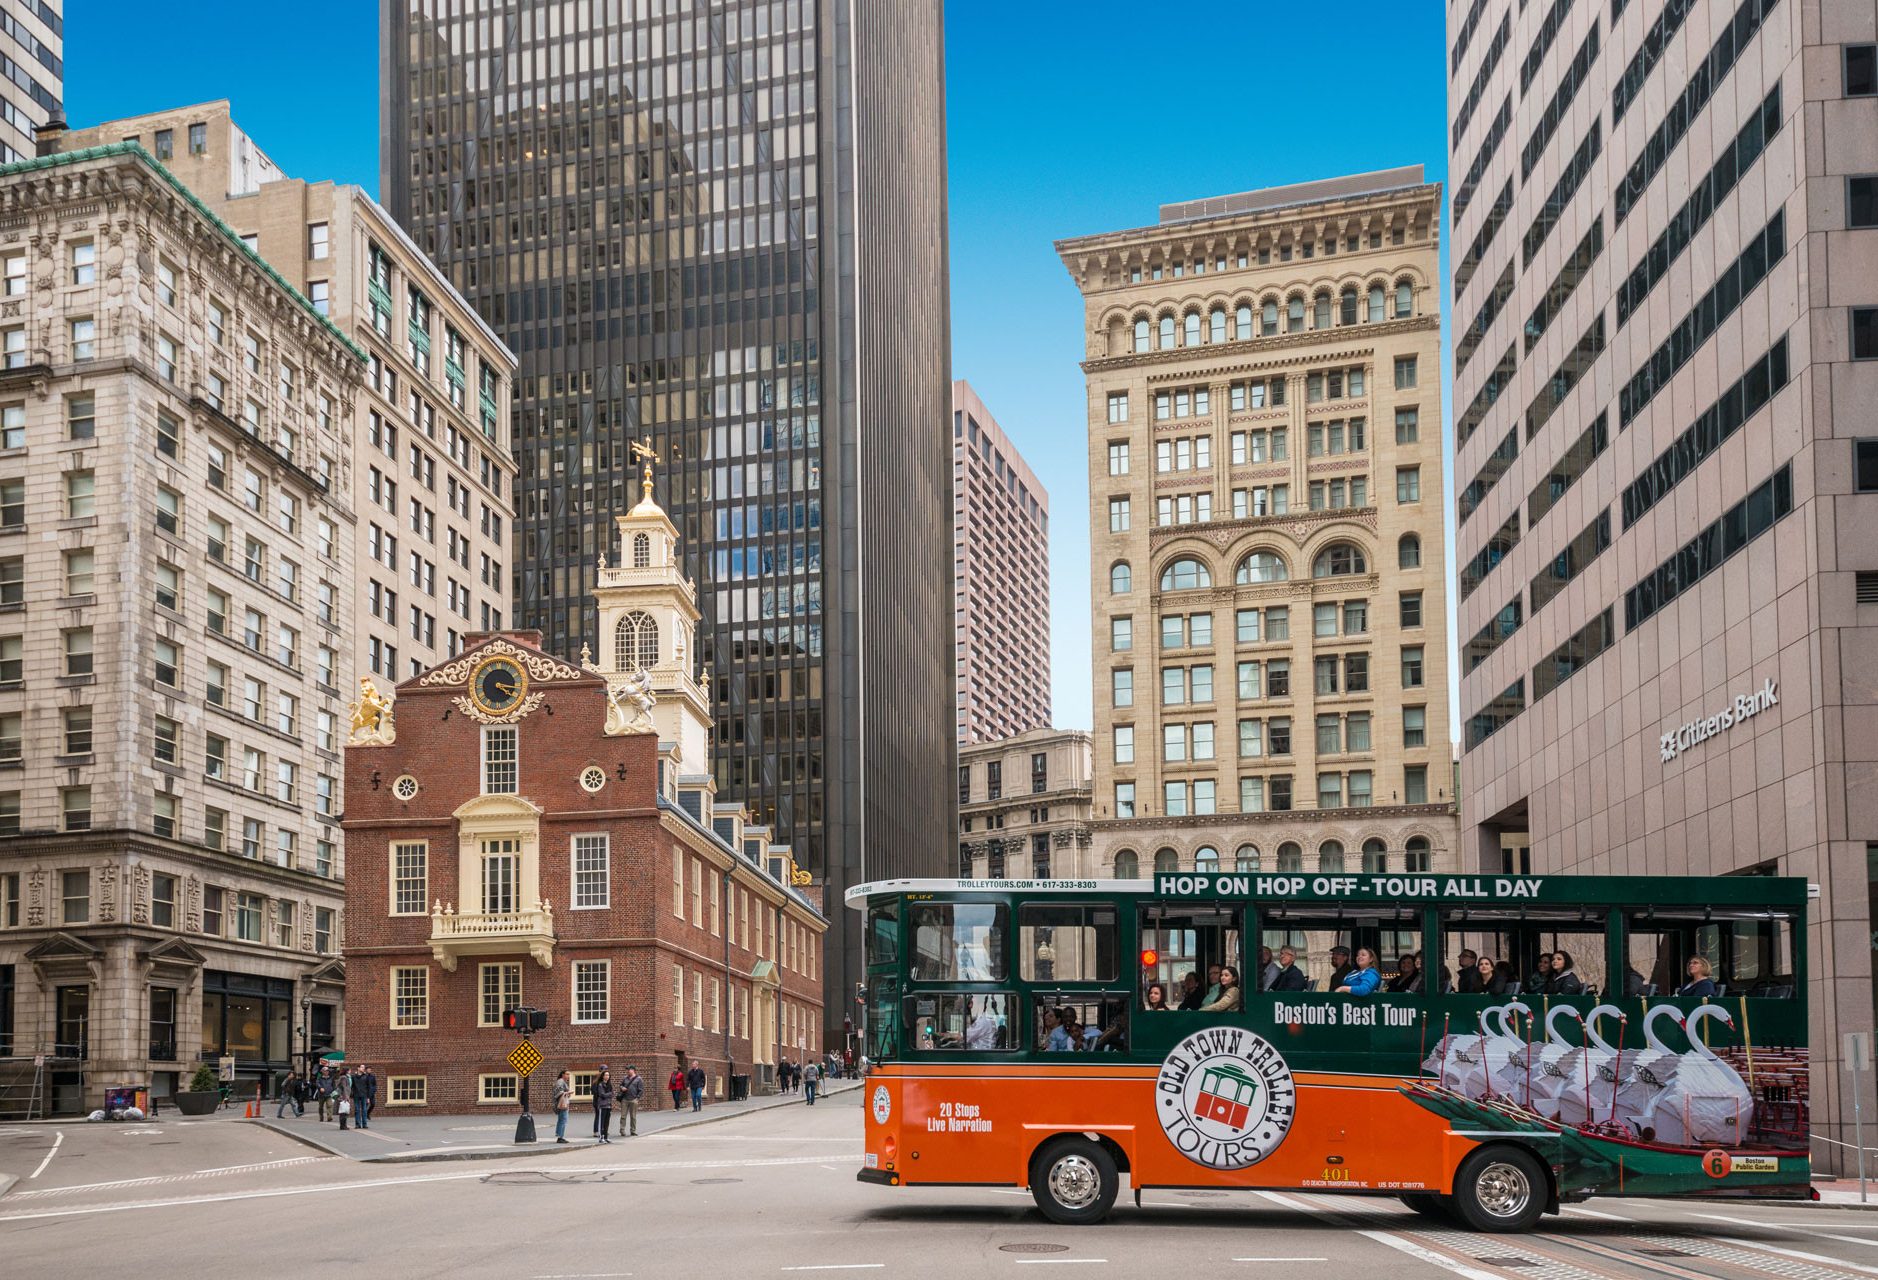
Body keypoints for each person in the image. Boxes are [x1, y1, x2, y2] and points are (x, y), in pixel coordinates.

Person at [593, 1069, 616, 1144]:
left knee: (607, 1122)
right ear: (603, 1076)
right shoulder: (600, 1084)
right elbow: (602, 1095)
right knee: (601, 1122)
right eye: (606, 1075)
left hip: (608, 1105)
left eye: (608, 1075)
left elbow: (612, 1094)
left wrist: (609, 1094)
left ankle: (605, 1137)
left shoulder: (609, 1085)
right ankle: (601, 1137)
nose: (607, 1076)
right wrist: (609, 1094)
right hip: (602, 1105)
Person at [620, 1067, 643, 1137]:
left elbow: (641, 1090)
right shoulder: (625, 1078)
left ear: (633, 1070)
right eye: (627, 1070)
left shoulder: (639, 1079)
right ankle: (622, 1130)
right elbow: (621, 1085)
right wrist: (622, 1088)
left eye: (628, 1070)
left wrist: (637, 1098)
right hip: (625, 1099)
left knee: (633, 1117)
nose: (627, 1071)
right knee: (623, 1116)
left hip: (633, 1100)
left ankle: (633, 1131)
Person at [552, 1069, 572, 1143]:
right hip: (562, 1104)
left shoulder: (562, 1082)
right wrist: (568, 1092)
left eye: (569, 1074)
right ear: (562, 1074)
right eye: (567, 1074)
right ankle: (560, 1137)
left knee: (561, 1120)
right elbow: (559, 1093)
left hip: (562, 1103)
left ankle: (559, 1135)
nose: (568, 1076)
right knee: (563, 1120)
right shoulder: (560, 1082)